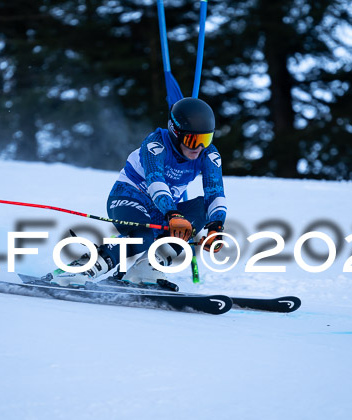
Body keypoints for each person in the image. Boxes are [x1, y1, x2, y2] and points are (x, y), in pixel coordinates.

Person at [51, 97, 227, 287]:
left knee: (200, 210)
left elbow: (215, 192)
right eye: (193, 140)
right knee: (143, 235)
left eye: (205, 139)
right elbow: (155, 181)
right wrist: (173, 213)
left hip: (163, 210)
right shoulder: (155, 144)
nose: (199, 148)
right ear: (176, 133)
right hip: (128, 197)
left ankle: (147, 267)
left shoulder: (209, 154)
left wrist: (216, 226)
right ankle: (82, 268)